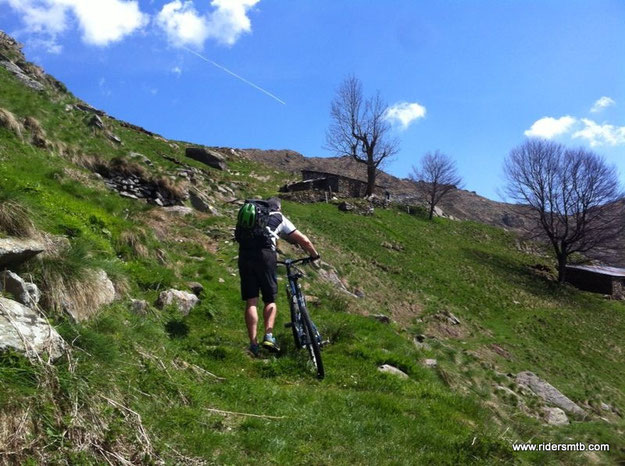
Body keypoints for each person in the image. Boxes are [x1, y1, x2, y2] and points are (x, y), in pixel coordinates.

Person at [237, 197, 319, 356]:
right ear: (279, 208)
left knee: (251, 300)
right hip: (266, 255)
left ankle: (253, 345)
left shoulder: (254, 216)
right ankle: (268, 336)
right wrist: (315, 255)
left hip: (245, 255)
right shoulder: (279, 217)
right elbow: (304, 241)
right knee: (269, 299)